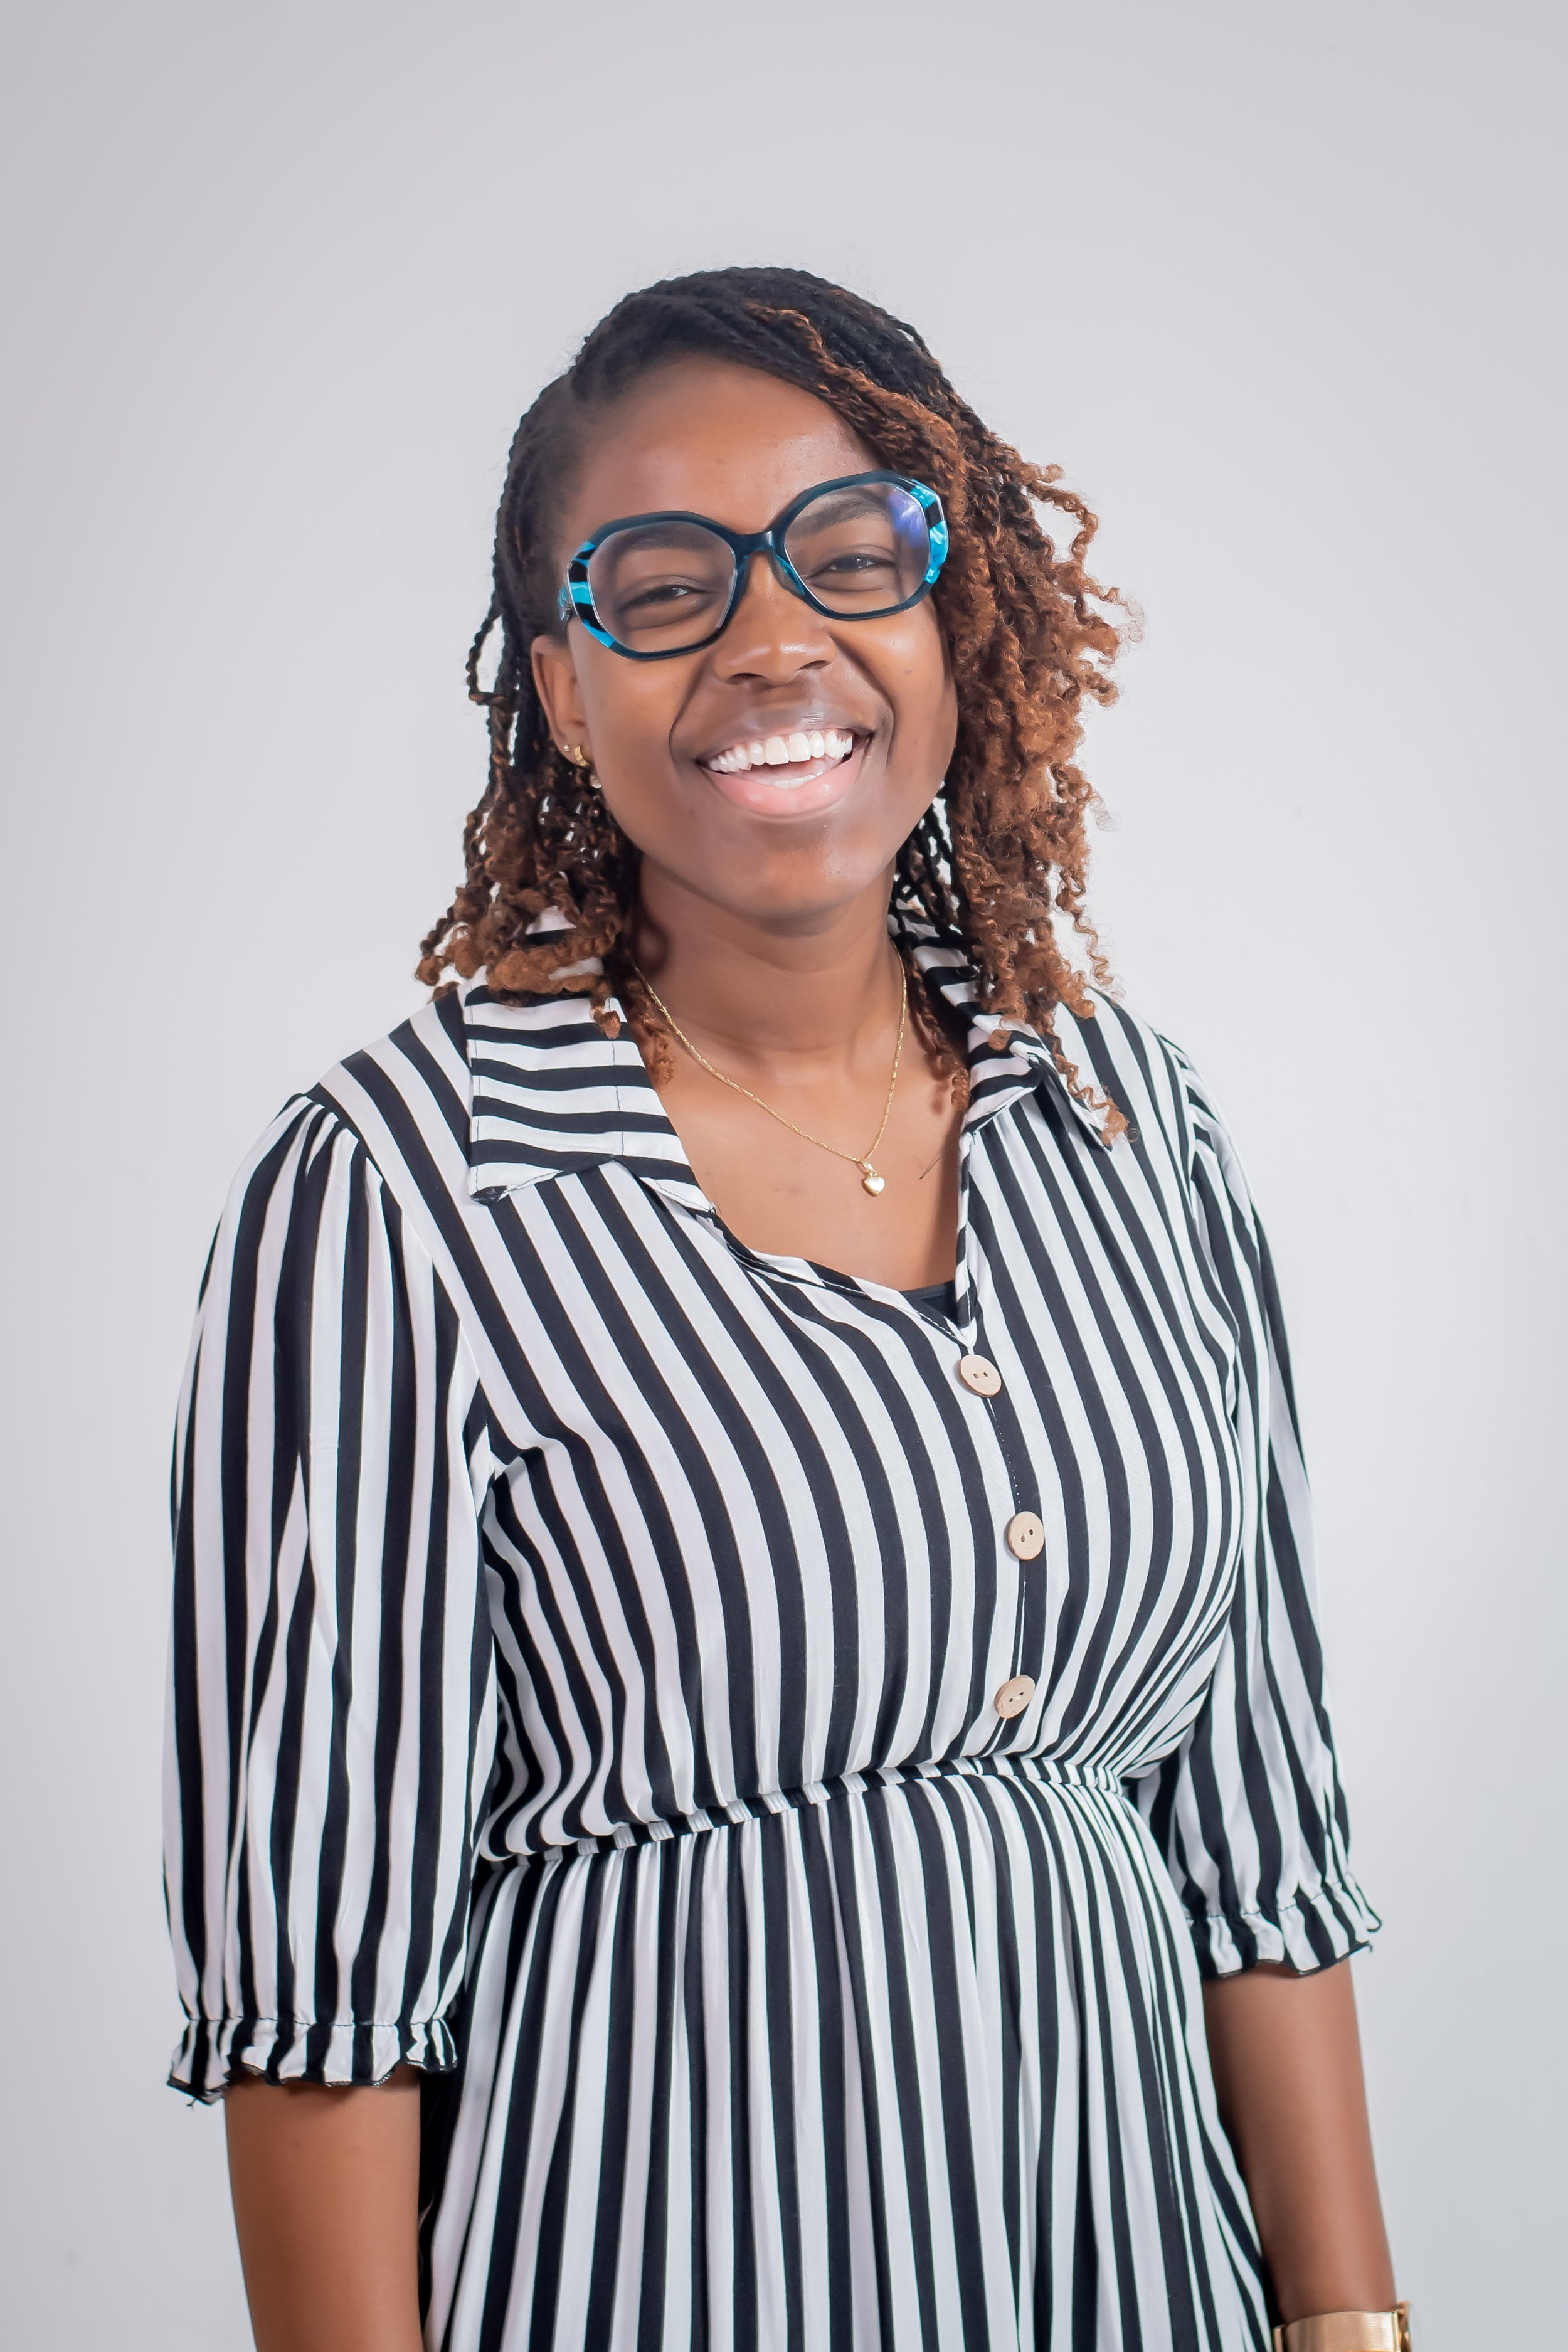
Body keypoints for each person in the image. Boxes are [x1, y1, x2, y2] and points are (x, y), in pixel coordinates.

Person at [164, 267, 1408, 2352]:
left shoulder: (1132, 1125)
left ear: (952, 617)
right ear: (563, 684)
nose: (771, 640)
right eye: (661, 585)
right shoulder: (399, 1190)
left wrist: (1350, 2323)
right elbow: (326, 1991)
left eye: (849, 556)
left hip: (1136, 2287)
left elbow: (1258, 1835)